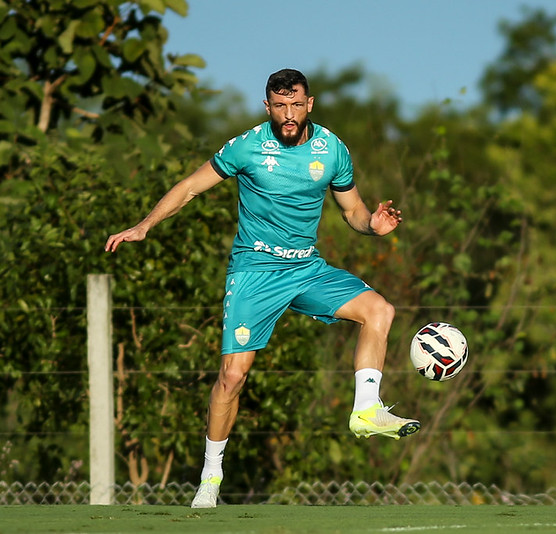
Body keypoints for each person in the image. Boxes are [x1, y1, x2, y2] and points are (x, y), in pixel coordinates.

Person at [105, 68, 421, 508]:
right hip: (254, 272)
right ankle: (211, 476)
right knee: (233, 376)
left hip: (305, 268)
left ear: (310, 104)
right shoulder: (247, 146)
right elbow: (192, 187)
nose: (288, 115)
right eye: (280, 106)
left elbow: (352, 211)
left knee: (380, 310)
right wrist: (144, 226)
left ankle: (367, 409)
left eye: (296, 105)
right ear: (267, 106)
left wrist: (372, 224)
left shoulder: (332, 150)